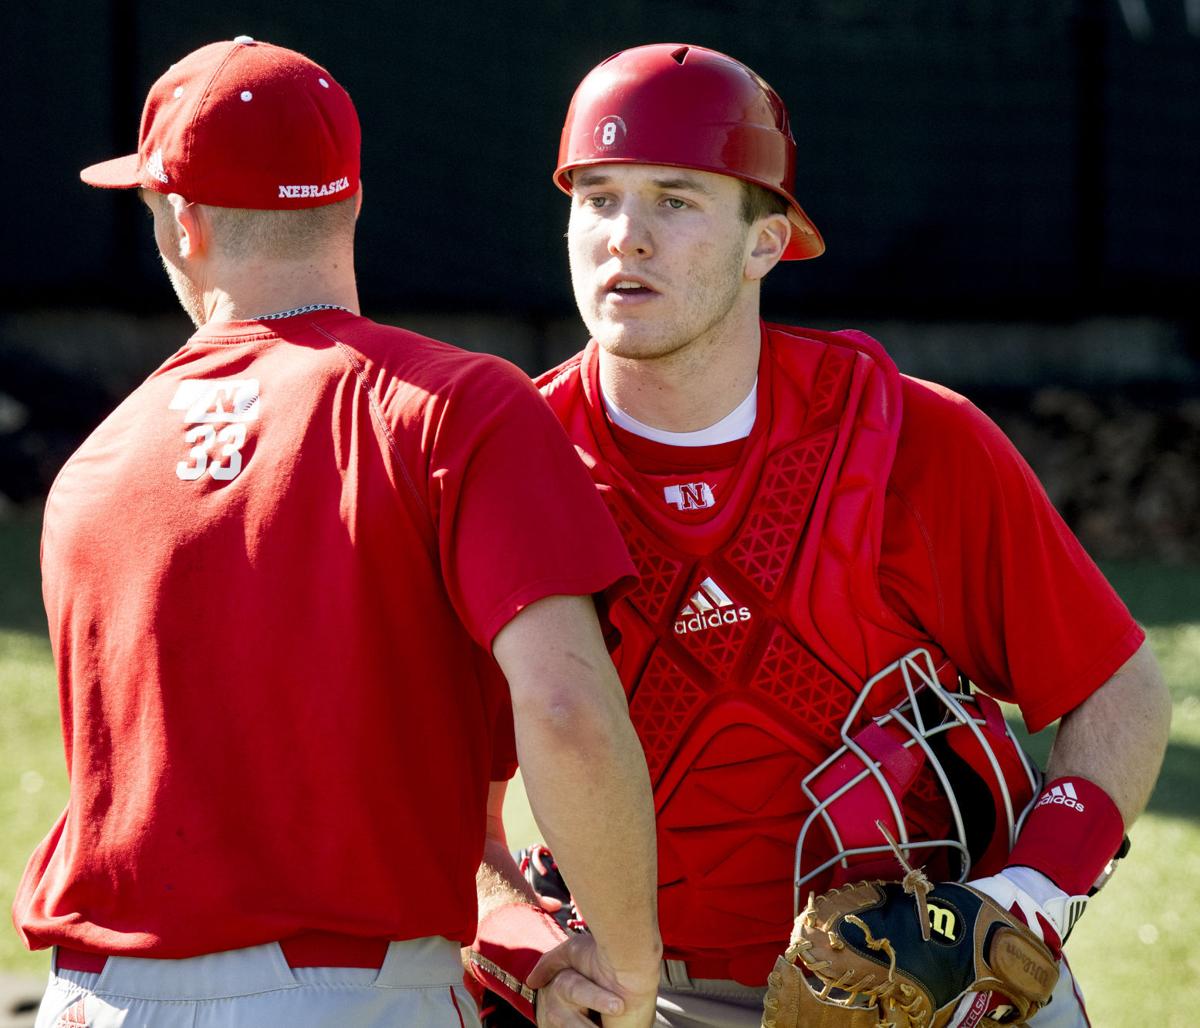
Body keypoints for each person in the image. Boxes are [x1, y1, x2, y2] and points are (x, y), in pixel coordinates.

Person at [471, 43, 1171, 1028]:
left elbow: (1119, 687)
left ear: (768, 241)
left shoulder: (909, 440)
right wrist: (532, 948)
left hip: (938, 984)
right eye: (598, 197)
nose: (624, 237)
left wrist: (1025, 896)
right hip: (645, 988)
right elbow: (428, 795)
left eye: (676, 200)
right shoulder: (506, 470)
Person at [13, 37, 663, 1028]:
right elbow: (567, 709)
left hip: (92, 998)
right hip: (356, 996)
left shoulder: (92, 470)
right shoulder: (457, 406)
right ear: (352, 201)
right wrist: (627, 968)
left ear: (181, 224)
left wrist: (525, 941)